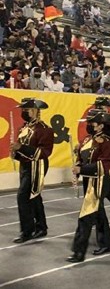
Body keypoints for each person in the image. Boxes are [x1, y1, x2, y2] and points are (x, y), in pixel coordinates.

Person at [67, 111, 110, 263]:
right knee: (98, 214)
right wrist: (77, 165)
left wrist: (82, 169)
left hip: (99, 182)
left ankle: (79, 252)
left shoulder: (108, 142)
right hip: (88, 181)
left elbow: (104, 165)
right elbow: (82, 158)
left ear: (101, 126)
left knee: (85, 217)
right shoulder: (87, 140)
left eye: (92, 123)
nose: (88, 125)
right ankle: (106, 243)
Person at [10, 98, 54, 243]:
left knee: (23, 196)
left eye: (26, 109)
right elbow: (21, 148)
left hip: (37, 165)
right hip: (25, 165)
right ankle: (41, 227)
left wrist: (20, 148)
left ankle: (27, 231)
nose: (23, 112)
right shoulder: (24, 128)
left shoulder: (44, 129)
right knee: (33, 197)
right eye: (23, 110)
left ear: (35, 111)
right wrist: (15, 153)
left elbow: (44, 152)